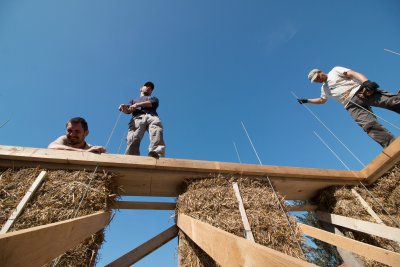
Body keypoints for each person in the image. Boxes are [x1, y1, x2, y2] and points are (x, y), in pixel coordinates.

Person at [298, 66, 399, 148]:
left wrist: (366, 82)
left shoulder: (334, 71)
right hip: (350, 106)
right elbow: (322, 100)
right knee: (369, 126)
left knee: (391, 102)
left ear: (321, 71)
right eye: (315, 80)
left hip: (360, 92)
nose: (318, 80)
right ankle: (393, 147)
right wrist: (307, 100)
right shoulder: (324, 89)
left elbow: (352, 73)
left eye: (317, 77)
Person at [119, 81, 166, 158]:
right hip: (137, 117)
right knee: (134, 137)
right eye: (146, 86)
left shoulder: (153, 98)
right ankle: (131, 157)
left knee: (157, 131)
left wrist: (137, 105)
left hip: (152, 116)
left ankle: (157, 154)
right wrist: (123, 108)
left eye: (150, 88)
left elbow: (152, 103)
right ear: (141, 88)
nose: (149, 88)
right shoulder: (133, 100)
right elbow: (128, 110)